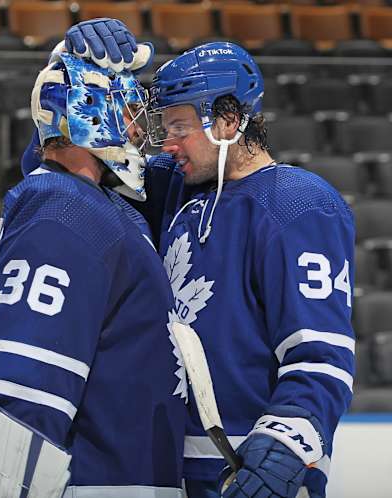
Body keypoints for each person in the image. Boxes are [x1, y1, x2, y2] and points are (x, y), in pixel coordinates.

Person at [63, 24, 356, 498]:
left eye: (180, 126)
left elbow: (321, 354)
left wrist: (283, 447)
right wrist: (69, 76)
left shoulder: (300, 206)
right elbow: (69, 179)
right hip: (166, 467)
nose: (167, 142)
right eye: (166, 126)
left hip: (248, 463)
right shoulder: (173, 188)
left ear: (227, 121)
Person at [0, 51, 186, 498]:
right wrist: (0, 480)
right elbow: (26, 374)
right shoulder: (65, 207)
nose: (135, 129)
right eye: (127, 112)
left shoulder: (97, 205)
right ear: (90, 116)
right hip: (99, 483)